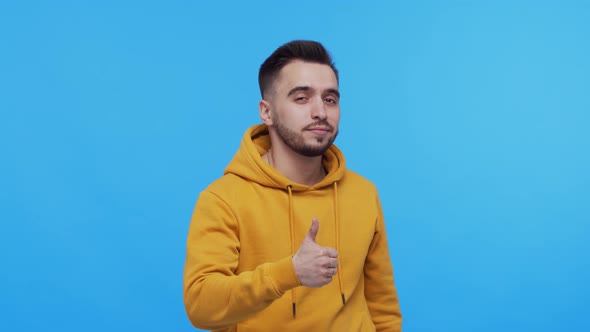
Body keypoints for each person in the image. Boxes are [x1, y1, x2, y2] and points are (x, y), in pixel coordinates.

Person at [183, 40, 402, 332]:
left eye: (330, 99)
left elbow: (383, 309)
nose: (320, 112)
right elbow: (201, 306)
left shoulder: (363, 193)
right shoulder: (223, 199)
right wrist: (289, 273)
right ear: (267, 112)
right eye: (302, 98)